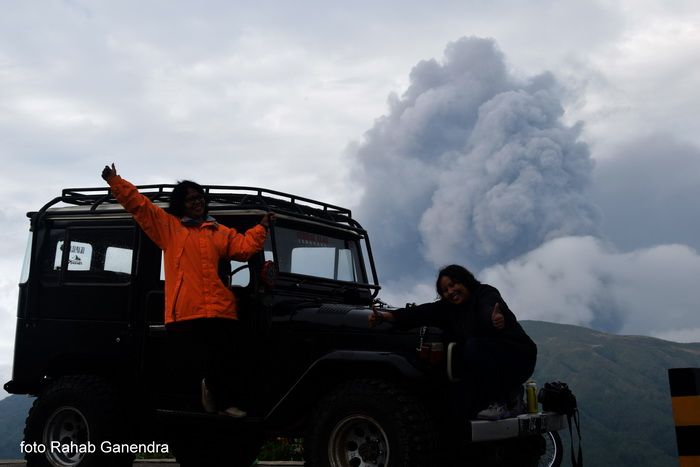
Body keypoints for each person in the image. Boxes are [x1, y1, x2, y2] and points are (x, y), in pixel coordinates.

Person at [101, 163, 274, 418]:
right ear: (181, 203)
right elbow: (140, 206)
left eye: (200, 197)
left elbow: (244, 248)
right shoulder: (169, 228)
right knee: (189, 365)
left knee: (225, 361)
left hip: (218, 309)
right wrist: (115, 182)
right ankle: (195, 410)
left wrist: (261, 228)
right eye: (191, 198)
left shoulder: (219, 231)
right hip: (185, 311)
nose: (197, 202)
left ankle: (226, 405)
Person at [369, 264, 537, 420]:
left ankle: (499, 403)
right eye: (445, 290)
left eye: (453, 284)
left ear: (465, 281)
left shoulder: (485, 293)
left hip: (519, 356)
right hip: (493, 364)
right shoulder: (447, 309)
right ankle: (512, 397)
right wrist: (385, 316)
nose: (450, 291)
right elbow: (420, 312)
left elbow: (488, 307)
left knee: (474, 346)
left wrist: (493, 318)